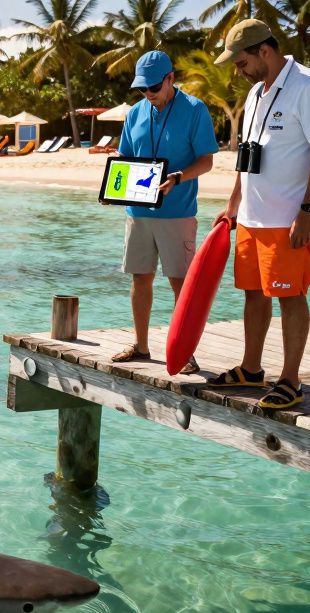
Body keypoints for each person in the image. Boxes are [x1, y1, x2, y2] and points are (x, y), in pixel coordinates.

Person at [206, 19, 310, 410]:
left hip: (289, 219)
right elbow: (248, 156)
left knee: (289, 296)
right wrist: (233, 205)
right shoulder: (257, 94)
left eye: (241, 62)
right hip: (252, 216)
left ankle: (291, 381)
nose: (237, 70)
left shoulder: (309, 86)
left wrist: (307, 212)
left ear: (264, 51)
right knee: (252, 293)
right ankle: (251, 369)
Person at [108, 50, 219, 375]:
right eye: (143, 88)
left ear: (171, 78)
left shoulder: (195, 110)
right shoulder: (135, 113)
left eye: (154, 87)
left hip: (178, 214)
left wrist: (179, 177)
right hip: (138, 213)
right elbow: (125, 159)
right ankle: (141, 347)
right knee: (140, 278)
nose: (148, 94)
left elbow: (207, 160)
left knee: (180, 284)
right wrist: (112, 189)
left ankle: (186, 353)